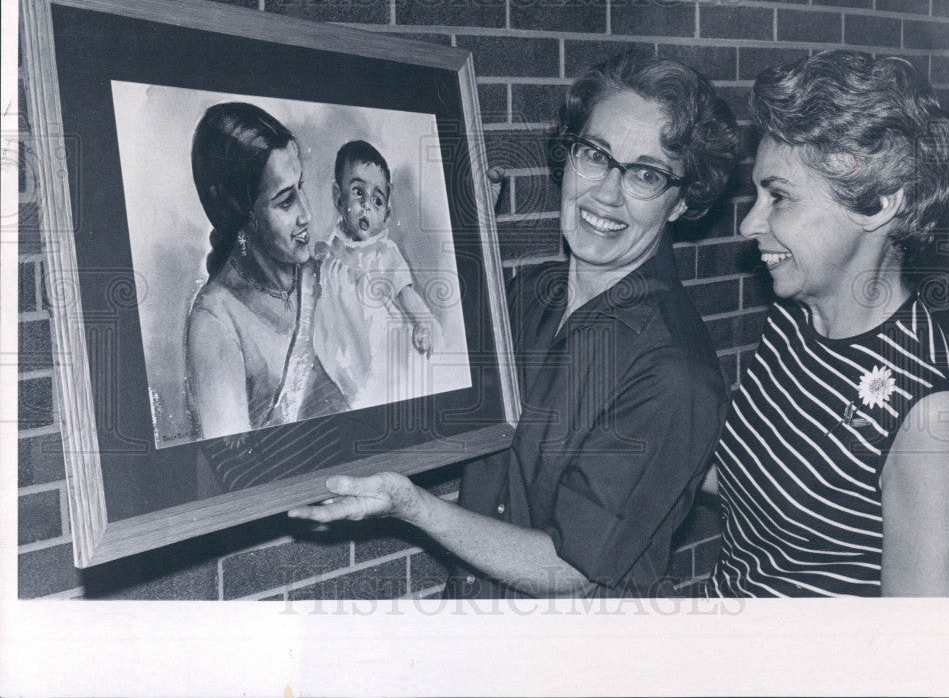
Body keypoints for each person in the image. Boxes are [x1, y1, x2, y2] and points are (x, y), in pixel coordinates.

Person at [289, 53, 744, 598]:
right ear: (570, 155)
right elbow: (431, 382)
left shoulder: (675, 373)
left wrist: (414, 507)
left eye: (645, 174)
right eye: (595, 155)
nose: (606, 193)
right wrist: (462, 239)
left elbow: (568, 567)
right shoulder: (529, 294)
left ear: (679, 202)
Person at [704, 50, 949, 597]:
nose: (750, 223)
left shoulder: (930, 417)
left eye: (778, 196)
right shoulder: (795, 319)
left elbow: (921, 662)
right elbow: (751, 480)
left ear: (875, 204)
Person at [186, 102, 348, 490]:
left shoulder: (323, 271)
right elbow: (239, 483)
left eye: (302, 189)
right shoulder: (215, 323)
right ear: (242, 215)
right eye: (285, 200)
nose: (307, 214)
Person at [313, 140, 439, 410]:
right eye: (358, 192)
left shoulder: (385, 252)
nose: (367, 206)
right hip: (339, 334)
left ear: (387, 214)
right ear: (338, 197)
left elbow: (406, 294)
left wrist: (420, 323)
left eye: (377, 200)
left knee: (380, 382)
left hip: (376, 339)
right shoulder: (330, 246)